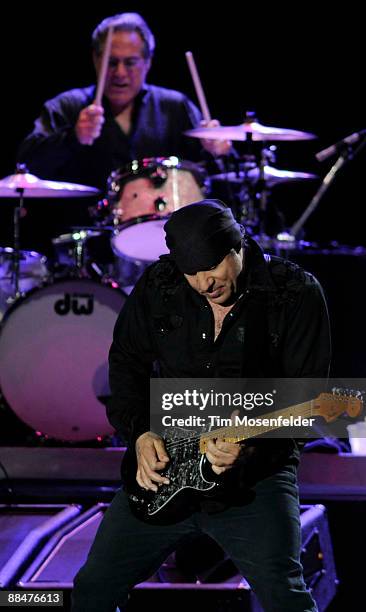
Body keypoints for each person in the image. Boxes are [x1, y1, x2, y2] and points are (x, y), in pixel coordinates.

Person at [72, 199, 331, 611]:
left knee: (286, 597)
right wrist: (139, 433)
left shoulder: (295, 293)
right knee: (92, 588)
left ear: (236, 247)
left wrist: (248, 446)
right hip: (167, 468)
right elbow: (125, 364)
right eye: (191, 273)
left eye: (211, 269)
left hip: (256, 478)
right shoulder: (160, 284)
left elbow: (306, 401)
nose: (203, 283)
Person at [17, 12, 230, 191]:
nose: (120, 73)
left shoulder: (175, 107)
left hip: (165, 234)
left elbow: (221, 180)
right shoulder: (65, 107)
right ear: (95, 59)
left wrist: (217, 150)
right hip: (83, 235)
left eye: (130, 63)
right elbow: (26, 167)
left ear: (148, 62)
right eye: (111, 62)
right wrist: (74, 137)